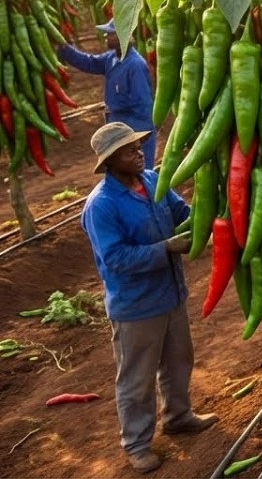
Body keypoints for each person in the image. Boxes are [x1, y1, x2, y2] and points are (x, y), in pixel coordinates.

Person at [81, 123, 217, 474]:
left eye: (139, 147)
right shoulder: (102, 205)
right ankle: (137, 444)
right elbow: (116, 258)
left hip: (170, 293)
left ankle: (179, 416)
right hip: (136, 305)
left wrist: (212, 211)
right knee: (136, 378)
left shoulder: (153, 181)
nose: (139, 153)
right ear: (110, 161)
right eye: (130, 151)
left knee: (178, 362)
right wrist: (166, 248)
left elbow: (181, 214)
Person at [57, 19, 157, 168]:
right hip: (117, 122)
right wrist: (64, 49)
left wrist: (136, 138)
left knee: (140, 172)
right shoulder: (111, 58)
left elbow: (143, 105)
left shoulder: (135, 65)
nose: (105, 36)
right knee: (121, 171)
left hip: (134, 126)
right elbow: (88, 62)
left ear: (121, 36)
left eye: (109, 33)